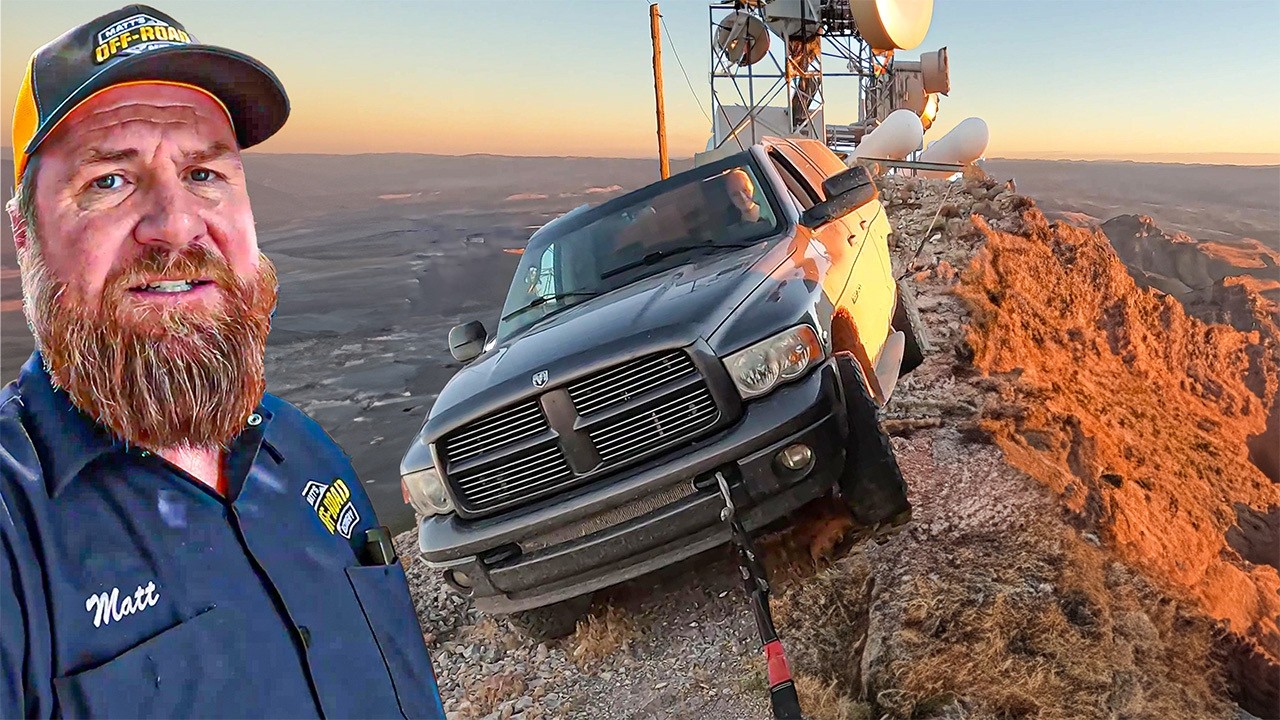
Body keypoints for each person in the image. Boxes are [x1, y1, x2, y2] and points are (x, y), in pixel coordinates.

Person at [0, 5, 445, 717]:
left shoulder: (306, 458)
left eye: (205, 172)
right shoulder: (14, 534)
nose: (176, 224)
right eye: (108, 181)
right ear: (25, 234)